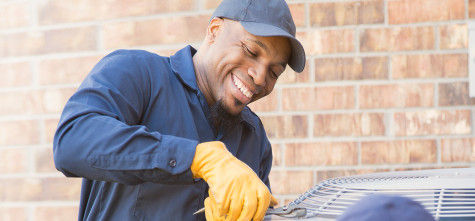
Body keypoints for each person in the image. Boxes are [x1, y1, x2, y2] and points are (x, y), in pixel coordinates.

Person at [53, 0, 305, 220]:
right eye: (251, 51)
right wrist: (200, 159)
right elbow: (71, 142)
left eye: (274, 72)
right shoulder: (139, 74)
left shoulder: (254, 137)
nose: (260, 77)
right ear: (215, 30)